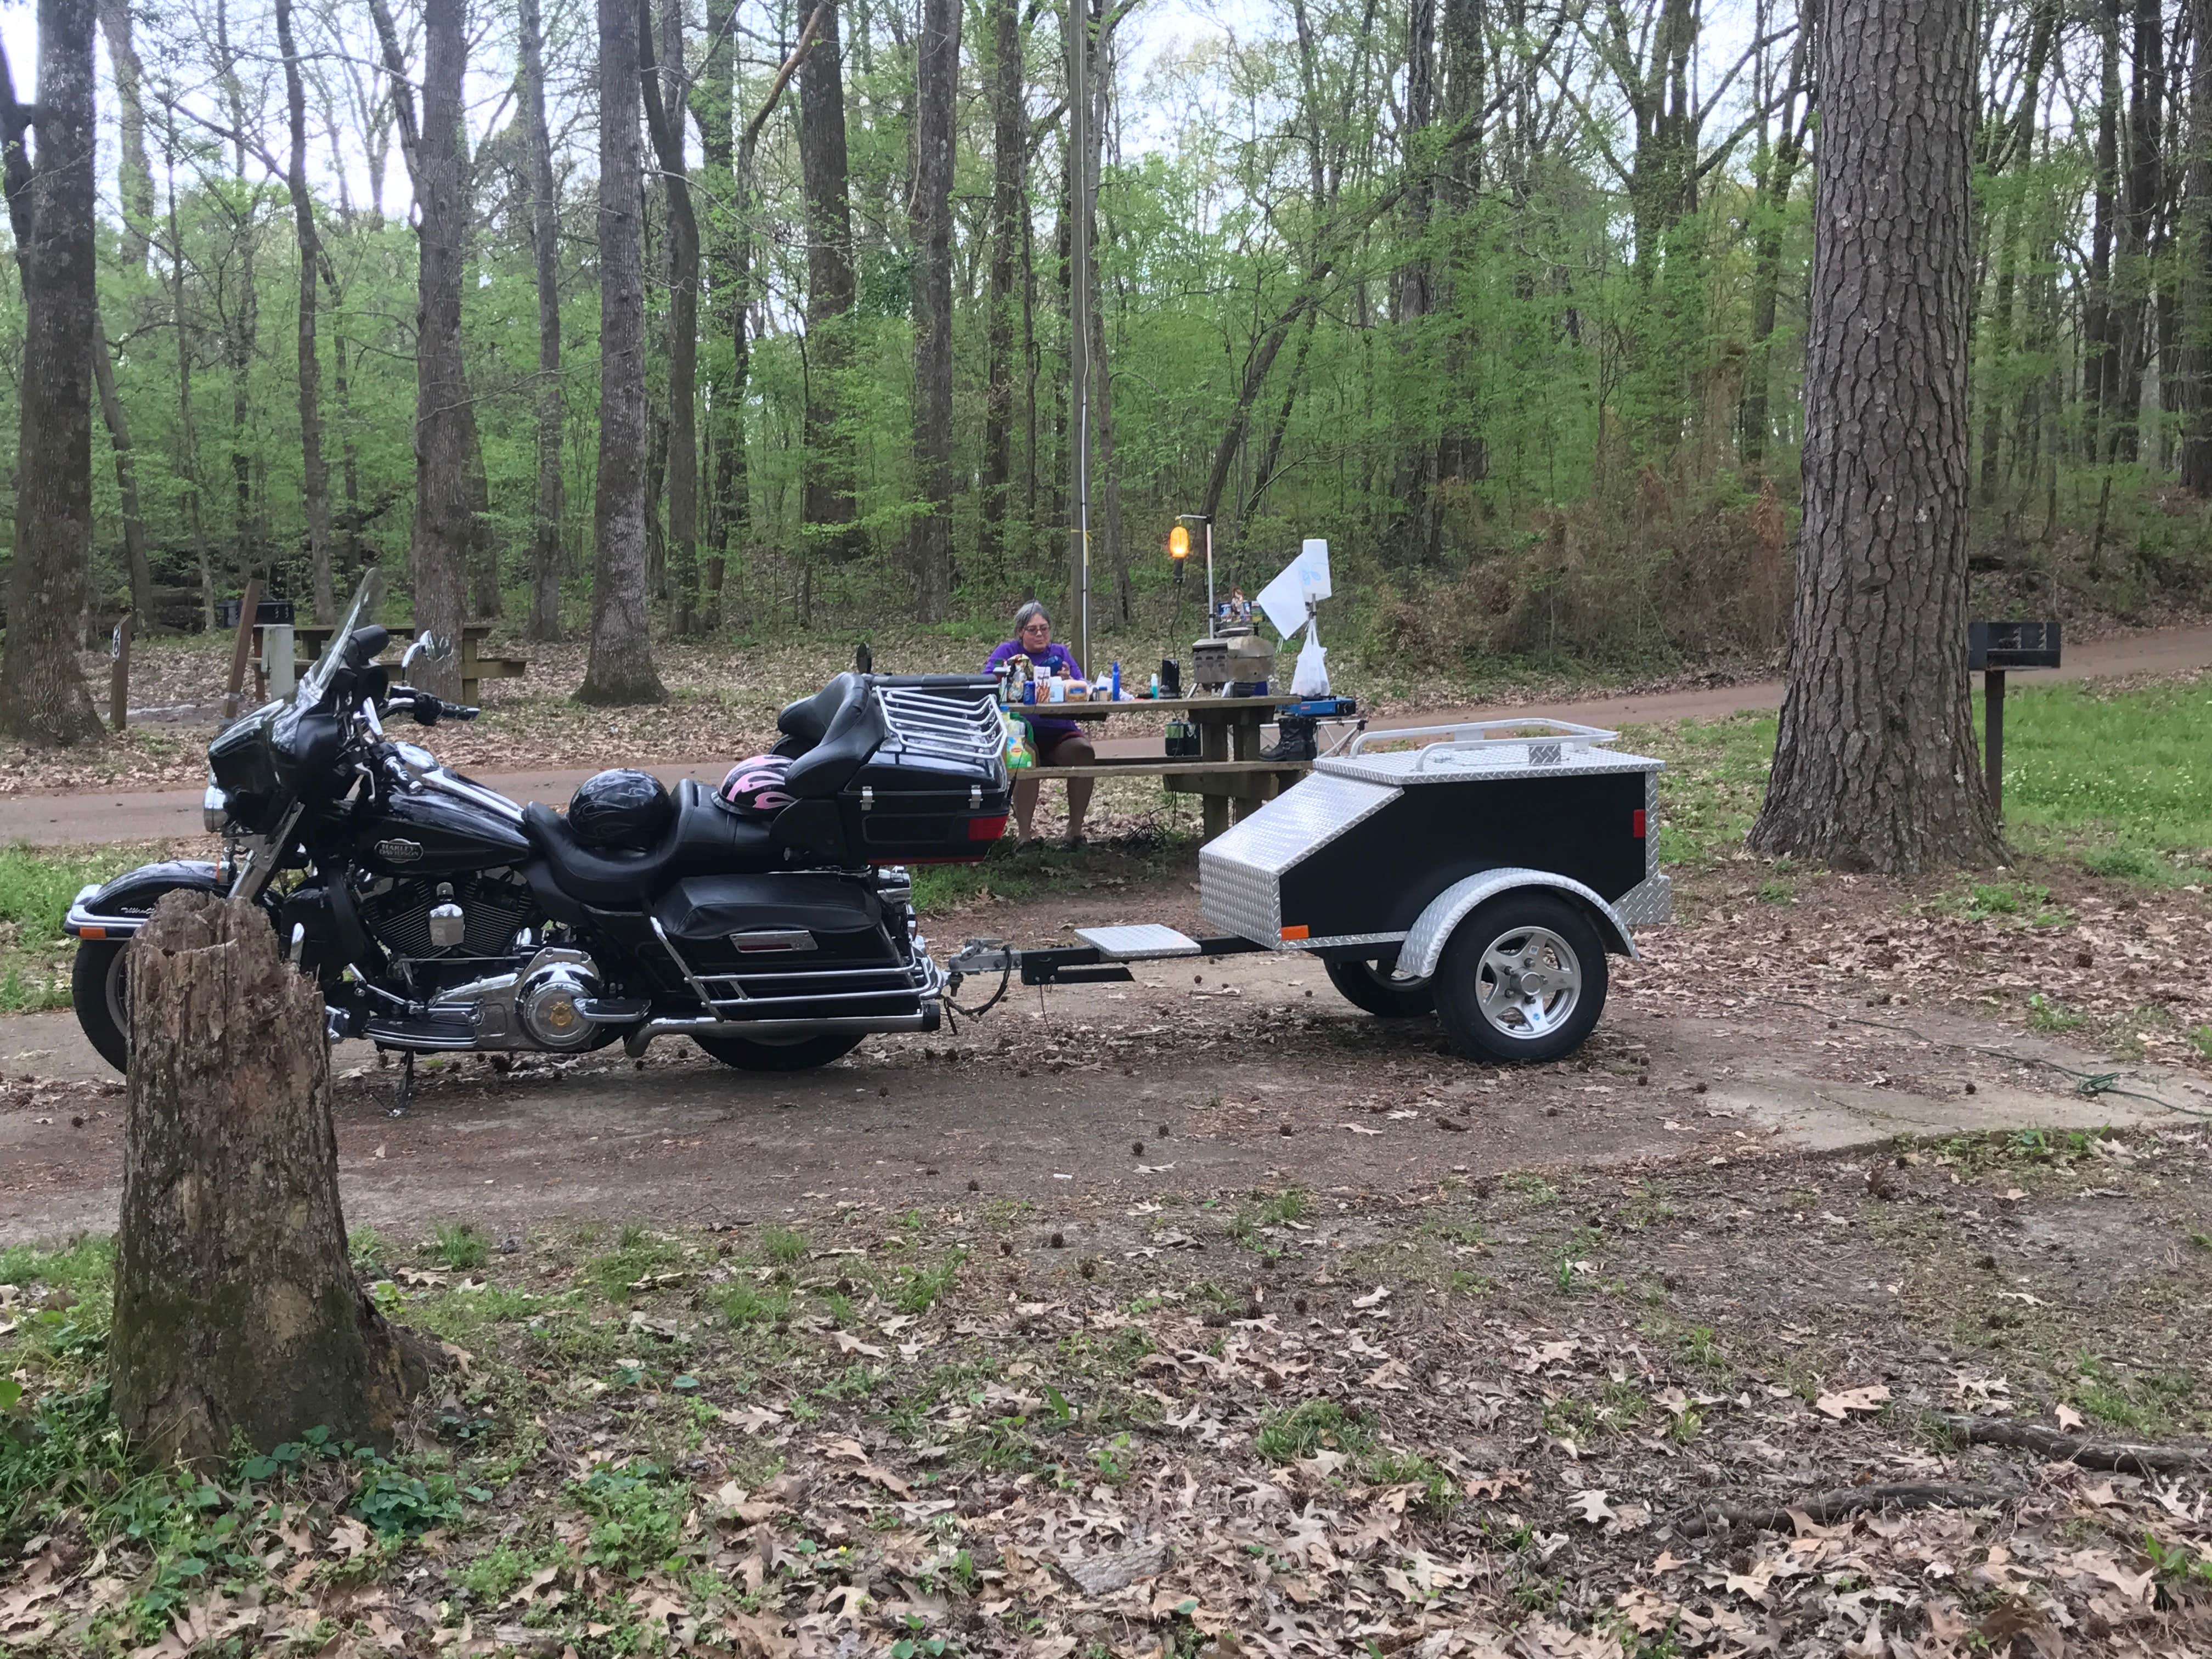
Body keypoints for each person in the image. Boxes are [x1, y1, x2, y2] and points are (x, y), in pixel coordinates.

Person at [984, 602, 1094, 847]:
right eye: (1032, 629)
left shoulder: (1060, 653)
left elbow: (1084, 687)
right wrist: (1007, 676)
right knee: (1024, 756)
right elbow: (986, 681)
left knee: (1084, 753)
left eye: (1044, 628)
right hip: (1021, 729)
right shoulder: (1007, 651)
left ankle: (1075, 832)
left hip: (1059, 730)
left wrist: (1068, 682)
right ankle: (1024, 837)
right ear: (1020, 631)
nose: (1040, 634)